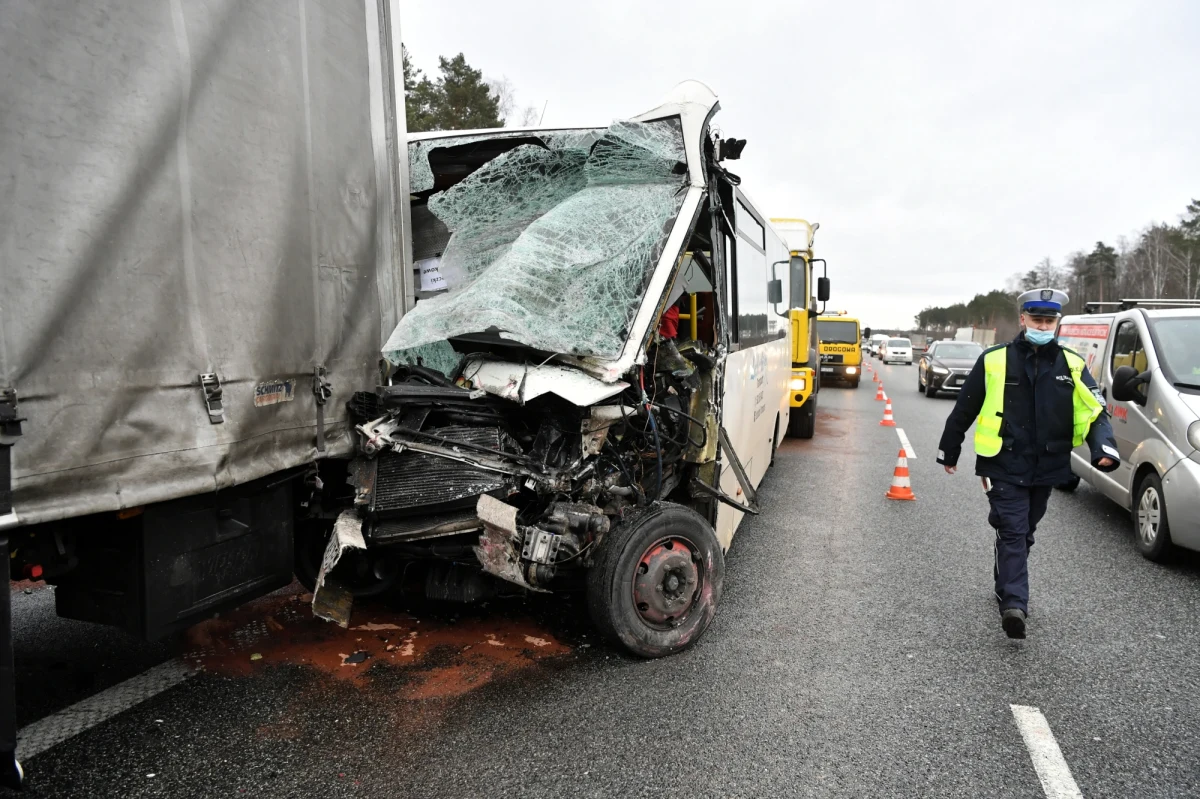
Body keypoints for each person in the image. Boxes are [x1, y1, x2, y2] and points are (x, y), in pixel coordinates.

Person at [936, 288, 1120, 639]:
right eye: (1037, 319)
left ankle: (1004, 579)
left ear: (1057, 323)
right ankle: (1015, 605)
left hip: (1048, 465)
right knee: (1014, 529)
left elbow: (1095, 413)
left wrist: (1104, 449)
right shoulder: (994, 359)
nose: (1043, 325)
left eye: (1049, 320)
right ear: (1023, 319)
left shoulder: (1073, 364)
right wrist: (950, 448)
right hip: (1001, 461)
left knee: (1024, 532)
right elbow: (966, 406)